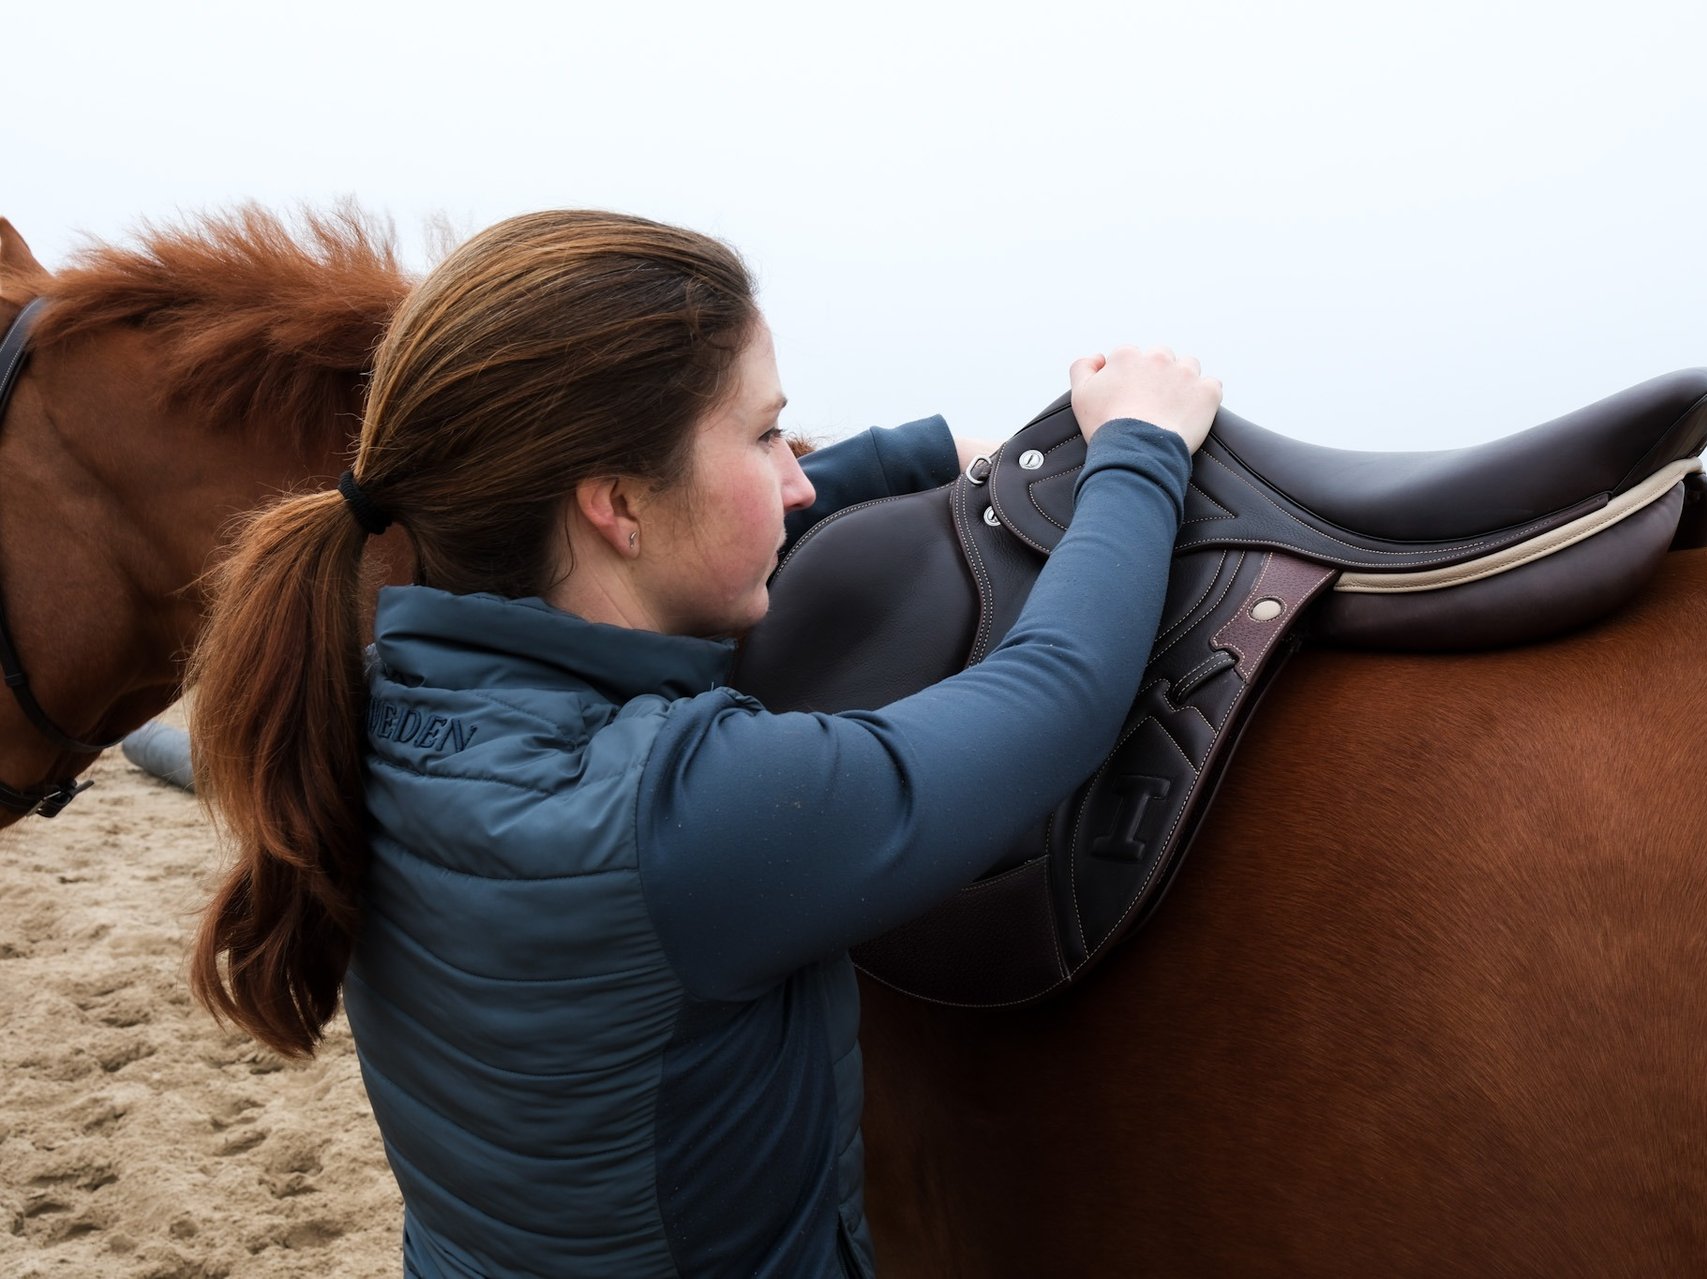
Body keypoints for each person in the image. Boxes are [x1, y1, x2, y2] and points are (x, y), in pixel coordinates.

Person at [188, 208, 1220, 1278]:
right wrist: (1140, 446)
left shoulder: (367, 709)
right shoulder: (685, 813)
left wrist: (923, 454)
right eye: (766, 435)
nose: (797, 478)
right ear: (616, 505)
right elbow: (1058, 693)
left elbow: (704, 534)